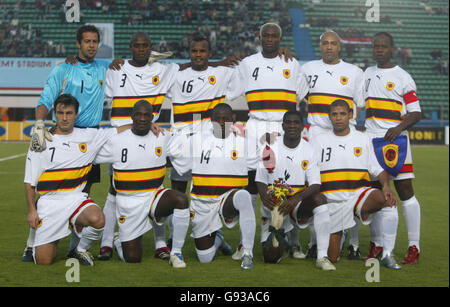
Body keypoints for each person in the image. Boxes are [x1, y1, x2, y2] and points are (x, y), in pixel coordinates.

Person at [23, 25, 112, 262]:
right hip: (63, 133)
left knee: (83, 192)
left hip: (89, 140)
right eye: (87, 41)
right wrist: (40, 127)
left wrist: (121, 60)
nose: (91, 45)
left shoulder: (105, 68)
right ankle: (32, 243)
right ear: (78, 43)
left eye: (95, 41)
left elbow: (129, 69)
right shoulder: (63, 69)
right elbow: (44, 101)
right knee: (49, 189)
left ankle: (75, 247)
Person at [227, 22, 309, 260]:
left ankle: (293, 242)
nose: (270, 39)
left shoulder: (291, 63)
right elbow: (227, 91)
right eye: (266, 35)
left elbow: (305, 95)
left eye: (275, 36)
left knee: (288, 184)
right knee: (253, 186)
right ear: (259, 37)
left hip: (284, 129)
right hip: (255, 129)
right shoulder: (248, 64)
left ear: (280, 39)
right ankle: (245, 243)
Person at [98, 32, 180, 261]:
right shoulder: (116, 69)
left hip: (149, 133)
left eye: (145, 46)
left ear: (151, 47)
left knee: (155, 187)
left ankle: (160, 242)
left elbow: (190, 66)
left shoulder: (163, 70)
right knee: (114, 191)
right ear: (130, 47)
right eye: (137, 45)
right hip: (121, 139)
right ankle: (107, 242)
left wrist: (220, 63)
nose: (141, 49)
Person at [24, 94, 130, 265]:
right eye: (60, 113)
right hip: (49, 202)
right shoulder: (40, 140)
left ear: (76, 114)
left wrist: (148, 125)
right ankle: (48, 238)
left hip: (75, 199)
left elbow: (117, 130)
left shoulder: (89, 135)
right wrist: (31, 211)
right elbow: (29, 181)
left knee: (98, 219)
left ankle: (78, 250)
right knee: (44, 261)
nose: (64, 118)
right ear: (55, 114)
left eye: (69, 113)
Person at [165, 34, 238, 255]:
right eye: (194, 51)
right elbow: (151, 71)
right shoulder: (176, 75)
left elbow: (255, 67)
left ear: (210, 53)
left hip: (208, 142)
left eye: (203, 51)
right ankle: (172, 236)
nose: (198, 55)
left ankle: (217, 235)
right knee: (178, 190)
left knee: (211, 190)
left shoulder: (223, 73)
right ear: (189, 52)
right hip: (183, 142)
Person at [94, 101, 190, 267]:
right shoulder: (117, 141)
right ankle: (118, 241)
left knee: (181, 200)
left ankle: (176, 253)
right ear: (132, 116)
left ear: (152, 118)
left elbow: (183, 149)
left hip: (154, 197)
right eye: (138, 114)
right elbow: (92, 153)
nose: (142, 118)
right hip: (129, 204)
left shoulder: (162, 136)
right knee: (133, 258)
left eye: (147, 115)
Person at [299, 30, 365, 260]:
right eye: (325, 43)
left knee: (352, 186)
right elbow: (295, 96)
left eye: (333, 43)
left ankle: (354, 243)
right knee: (317, 188)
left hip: (347, 136)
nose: (329, 47)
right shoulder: (307, 69)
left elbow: (361, 104)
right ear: (320, 46)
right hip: (316, 135)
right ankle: (315, 242)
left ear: (340, 46)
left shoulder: (355, 72)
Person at [169, 104, 257, 270]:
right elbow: (172, 154)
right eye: (218, 119)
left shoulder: (245, 143)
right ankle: (218, 239)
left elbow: (268, 162)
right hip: (202, 204)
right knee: (205, 258)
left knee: (244, 196)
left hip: (227, 201)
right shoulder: (197, 140)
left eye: (226, 119)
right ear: (211, 120)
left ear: (233, 120)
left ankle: (247, 253)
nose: (221, 122)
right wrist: (183, 133)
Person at [311, 99, 398, 264]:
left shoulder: (363, 139)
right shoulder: (318, 141)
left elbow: (377, 169)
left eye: (342, 114)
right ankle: (342, 229)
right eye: (334, 114)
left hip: (358, 195)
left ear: (350, 115)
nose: (338, 118)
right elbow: (309, 170)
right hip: (332, 200)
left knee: (385, 199)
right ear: (329, 117)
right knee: (333, 258)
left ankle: (388, 254)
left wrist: (387, 186)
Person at [363, 32, 422, 268]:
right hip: (371, 141)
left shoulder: (402, 76)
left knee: (405, 189)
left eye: (383, 46)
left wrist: (398, 128)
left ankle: (414, 245)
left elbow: (416, 113)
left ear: (392, 48)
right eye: (375, 46)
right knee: (376, 190)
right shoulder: (366, 73)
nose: (379, 49)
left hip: (395, 142)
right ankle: (377, 243)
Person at [255, 111, 335, 270]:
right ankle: (288, 240)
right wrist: (264, 196)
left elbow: (315, 185)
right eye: (288, 122)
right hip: (274, 207)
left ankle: (322, 257)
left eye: (296, 122)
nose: (292, 125)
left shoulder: (309, 149)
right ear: (283, 125)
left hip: (295, 205)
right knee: (270, 258)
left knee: (320, 200)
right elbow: (260, 179)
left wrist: (295, 200)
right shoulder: (270, 148)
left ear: (301, 126)